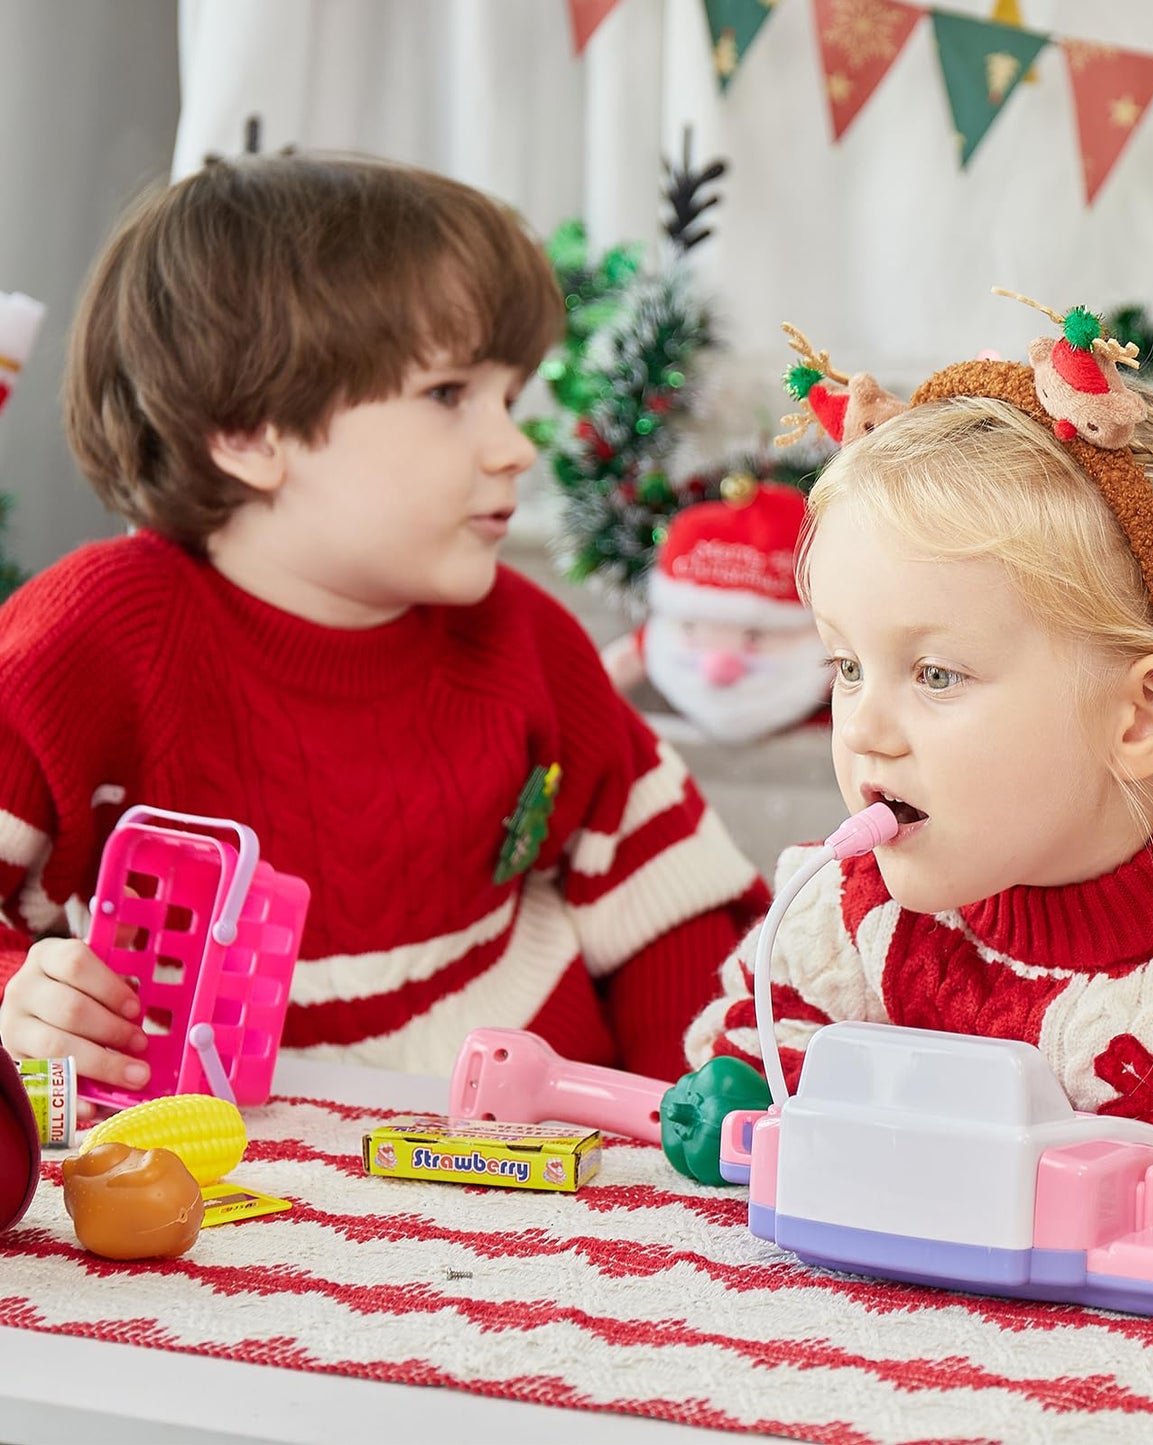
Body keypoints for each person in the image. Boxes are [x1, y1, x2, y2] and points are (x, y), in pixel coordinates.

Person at [0, 152, 768, 1097]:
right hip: (226, 1164)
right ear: (248, 432)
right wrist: (18, 997)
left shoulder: (524, 638)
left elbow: (669, 905)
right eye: (449, 395)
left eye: (510, 396)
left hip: (534, 1141)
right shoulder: (90, 638)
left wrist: (679, 1133)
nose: (514, 446)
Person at [685, 306, 1153, 1247]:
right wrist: (748, 1089)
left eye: (934, 675)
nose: (863, 729)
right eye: (845, 666)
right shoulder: (848, 913)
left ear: (1142, 717)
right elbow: (761, 1041)